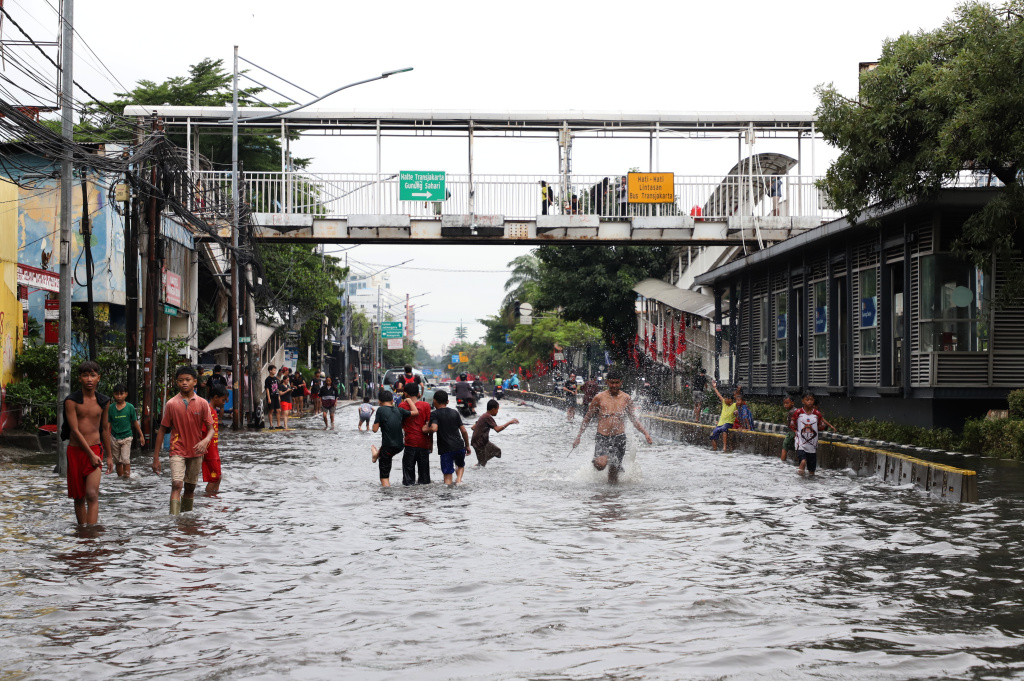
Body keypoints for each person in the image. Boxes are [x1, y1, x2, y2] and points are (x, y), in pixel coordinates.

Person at [152, 365, 215, 515]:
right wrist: (155, 458)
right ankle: (174, 520)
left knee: (190, 487)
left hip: (196, 450)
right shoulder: (171, 404)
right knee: (176, 484)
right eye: (181, 380)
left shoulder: (202, 403)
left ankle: (186, 519)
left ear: (195, 381)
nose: (184, 383)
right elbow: (162, 430)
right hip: (177, 449)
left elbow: (211, 428)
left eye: (187, 380)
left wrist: (206, 440)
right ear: (176, 383)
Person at [572, 369, 653, 484]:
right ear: (606, 382)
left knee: (613, 478)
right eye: (611, 382)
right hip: (603, 436)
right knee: (601, 464)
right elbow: (588, 417)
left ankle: (612, 499)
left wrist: (645, 433)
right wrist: (579, 436)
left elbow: (633, 420)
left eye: (616, 382)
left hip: (619, 438)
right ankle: (599, 459)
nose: (614, 385)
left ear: (621, 383)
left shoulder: (626, 398)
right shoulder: (599, 398)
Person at [62, 361, 114, 525]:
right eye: (85, 375)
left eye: (92, 375)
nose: (89, 379)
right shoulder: (71, 401)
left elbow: (105, 429)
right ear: (80, 378)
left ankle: (91, 535)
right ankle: (83, 533)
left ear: (98, 378)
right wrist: (90, 454)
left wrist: (110, 456)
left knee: (92, 494)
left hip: (96, 450)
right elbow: (75, 431)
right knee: (79, 497)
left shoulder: (104, 401)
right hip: (76, 451)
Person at [371, 389, 417, 487]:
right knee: (386, 451)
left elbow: (374, 429)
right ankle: (376, 455)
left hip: (388, 447)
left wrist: (377, 423)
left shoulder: (380, 410)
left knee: (384, 477)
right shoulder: (399, 410)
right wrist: (408, 400)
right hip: (400, 446)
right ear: (392, 401)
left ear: (379, 402)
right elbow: (415, 412)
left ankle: (387, 497)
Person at [426, 389, 471, 485]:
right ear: (447, 401)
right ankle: (459, 481)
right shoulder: (455, 412)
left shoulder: (434, 414)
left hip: (446, 449)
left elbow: (434, 429)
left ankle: (449, 493)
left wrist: (425, 429)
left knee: (447, 477)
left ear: (434, 401)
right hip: (459, 446)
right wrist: (467, 445)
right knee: (460, 465)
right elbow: (463, 431)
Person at [789, 392, 838, 475]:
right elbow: (792, 425)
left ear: (814, 401)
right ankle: (800, 481)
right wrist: (796, 433)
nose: (809, 402)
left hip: (812, 445)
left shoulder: (817, 414)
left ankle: (811, 485)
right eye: (807, 400)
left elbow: (820, 426)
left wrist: (824, 426)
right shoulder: (798, 412)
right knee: (803, 461)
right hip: (801, 443)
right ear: (802, 401)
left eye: (811, 400)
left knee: (812, 471)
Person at [398, 382, 432, 485]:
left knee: (408, 481)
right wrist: (430, 443)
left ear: (405, 394)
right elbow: (429, 426)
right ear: (418, 393)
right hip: (423, 444)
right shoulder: (426, 406)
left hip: (409, 443)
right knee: (425, 480)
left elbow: (400, 425)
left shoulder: (402, 405)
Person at [108, 382, 143, 479]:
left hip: (127, 437)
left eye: (121, 394)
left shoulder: (130, 407)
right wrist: (106, 436)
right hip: (114, 437)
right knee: (117, 461)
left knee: (125, 459)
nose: (119, 396)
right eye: (116, 394)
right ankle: (120, 480)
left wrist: (141, 435)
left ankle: (127, 479)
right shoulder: (111, 408)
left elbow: (135, 422)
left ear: (126, 394)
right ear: (114, 395)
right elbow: (108, 423)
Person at [472, 399, 518, 467]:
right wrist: (509, 422)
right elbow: (497, 429)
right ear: (493, 409)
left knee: (497, 451)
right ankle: (479, 464)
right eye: (497, 410)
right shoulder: (487, 417)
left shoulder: (484, 416)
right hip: (479, 442)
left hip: (482, 440)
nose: (497, 411)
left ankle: (482, 460)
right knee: (482, 465)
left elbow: (473, 427)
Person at [203, 385, 229, 494]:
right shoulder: (207, 411)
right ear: (216, 397)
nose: (224, 403)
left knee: (218, 477)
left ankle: (214, 499)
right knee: (214, 478)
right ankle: (209, 499)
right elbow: (202, 432)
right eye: (223, 400)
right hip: (209, 452)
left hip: (214, 450)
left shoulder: (213, 411)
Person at [708, 379, 737, 452]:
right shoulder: (724, 403)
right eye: (725, 399)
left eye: (727, 399)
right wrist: (714, 387)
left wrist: (737, 412)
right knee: (712, 435)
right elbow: (719, 395)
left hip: (728, 423)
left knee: (724, 429)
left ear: (731, 400)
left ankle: (724, 447)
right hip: (720, 424)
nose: (725, 400)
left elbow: (741, 410)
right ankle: (715, 449)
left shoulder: (735, 405)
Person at [780, 394, 797, 462]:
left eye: (787, 403)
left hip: (791, 433)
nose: (785, 405)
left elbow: (793, 424)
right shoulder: (796, 410)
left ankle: (782, 462)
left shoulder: (791, 412)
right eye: (784, 403)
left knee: (785, 446)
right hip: (796, 433)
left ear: (792, 403)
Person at [264, 365, 282, 429]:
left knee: (278, 410)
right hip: (271, 396)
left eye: (275, 370)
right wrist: (268, 398)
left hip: (276, 396)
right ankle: (271, 425)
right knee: (271, 410)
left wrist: (279, 396)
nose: (275, 371)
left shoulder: (276, 379)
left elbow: (277, 388)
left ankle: (278, 424)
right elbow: (267, 389)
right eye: (274, 370)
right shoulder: (267, 379)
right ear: (270, 371)